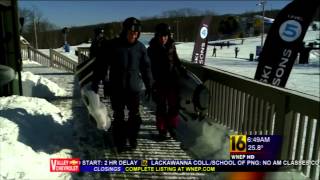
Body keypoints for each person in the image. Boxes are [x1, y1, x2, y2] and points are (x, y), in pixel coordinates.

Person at [91, 17, 153, 152]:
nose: (133, 35)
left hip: (133, 88)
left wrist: (149, 85)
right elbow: (101, 66)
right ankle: (119, 140)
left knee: (134, 116)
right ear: (124, 31)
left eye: (136, 33)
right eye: (131, 32)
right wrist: (96, 83)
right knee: (118, 116)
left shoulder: (140, 48)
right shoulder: (112, 46)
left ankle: (132, 138)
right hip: (116, 88)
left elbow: (146, 68)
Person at [147, 23, 183, 140]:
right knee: (161, 106)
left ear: (168, 36)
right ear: (156, 36)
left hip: (172, 80)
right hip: (159, 81)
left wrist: (181, 69)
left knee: (174, 105)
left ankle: (172, 126)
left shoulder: (172, 45)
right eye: (160, 36)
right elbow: (147, 66)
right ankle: (162, 129)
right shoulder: (151, 48)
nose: (163, 38)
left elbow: (176, 59)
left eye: (165, 36)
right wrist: (150, 81)